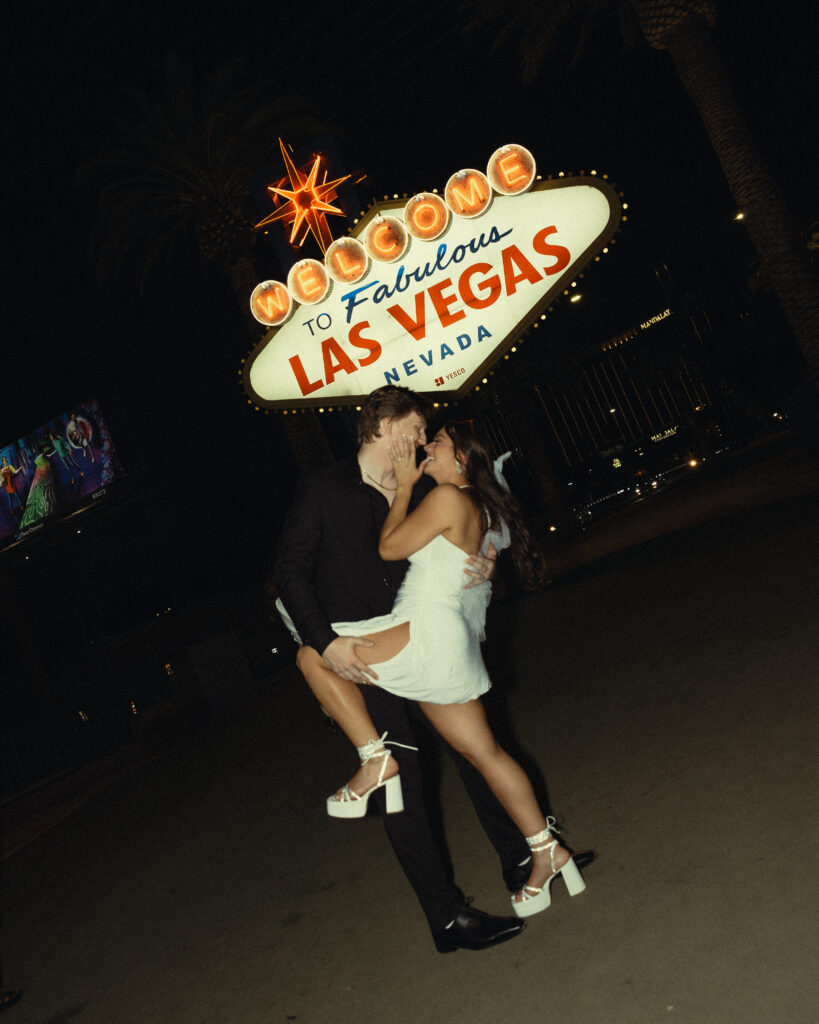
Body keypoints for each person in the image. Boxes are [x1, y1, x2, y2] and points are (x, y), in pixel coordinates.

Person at [273, 386, 586, 950]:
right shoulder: (325, 486)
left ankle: (526, 857)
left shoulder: (424, 488)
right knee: (412, 785)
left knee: (475, 757)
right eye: (418, 429)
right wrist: (325, 643)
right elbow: (290, 572)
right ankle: (448, 915)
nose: (422, 440)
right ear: (386, 424)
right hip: (367, 650)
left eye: (429, 435)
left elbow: (459, 536)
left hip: (423, 637)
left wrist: (485, 561)